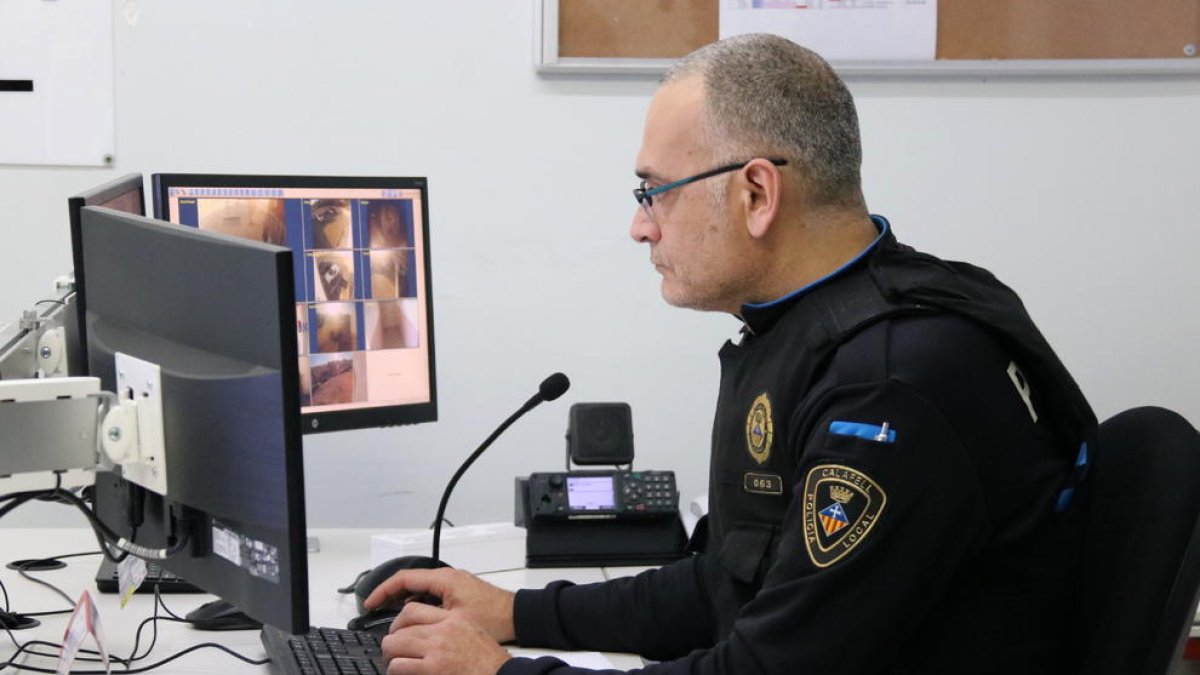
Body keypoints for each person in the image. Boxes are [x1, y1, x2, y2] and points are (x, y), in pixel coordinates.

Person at [365, 33, 1097, 675]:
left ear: (756, 193)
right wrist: (517, 611)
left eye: (654, 192)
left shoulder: (886, 391)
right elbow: (726, 582)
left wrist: (500, 674)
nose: (639, 227)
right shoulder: (812, 332)